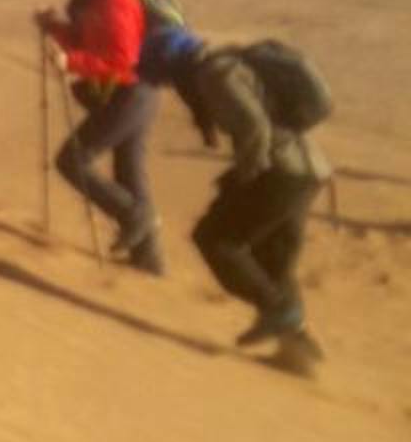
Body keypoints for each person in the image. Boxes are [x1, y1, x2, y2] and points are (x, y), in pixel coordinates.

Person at [140, 26, 331, 369]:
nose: (168, 86)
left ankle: (280, 313)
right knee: (273, 258)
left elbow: (254, 127)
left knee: (216, 240)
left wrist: (245, 176)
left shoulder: (213, 75)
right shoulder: (227, 64)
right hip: (308, 171)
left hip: (280, 172)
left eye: (164, 76)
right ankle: (296, 352)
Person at [35, 0, 164, 273]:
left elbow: (123, 58)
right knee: (129, 172)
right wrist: (55, 28)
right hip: (138, 92)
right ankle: (149, 259)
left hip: (130, 92)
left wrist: (72, 62)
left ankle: (134, 216)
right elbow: (86, 41)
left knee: (72, 160)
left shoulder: (116, 0)